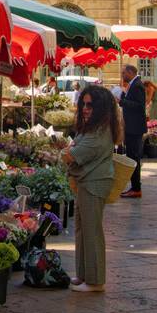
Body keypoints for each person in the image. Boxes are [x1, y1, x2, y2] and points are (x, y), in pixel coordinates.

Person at [62, 84, 121, 292]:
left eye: (90, 105)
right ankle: (83, 274)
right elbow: (72, 150)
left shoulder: (98, 133)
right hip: (86, 182)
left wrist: (67, 151)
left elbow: (71, 154)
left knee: (91, 231)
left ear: (101, 107)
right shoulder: (93, 128)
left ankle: (95, 281)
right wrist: (69, 150)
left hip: (94, 183)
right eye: (83, 104)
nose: (85, 108)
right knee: (82, 229)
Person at [119, 64, 146, 198]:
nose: (122, 75)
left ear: (130, 72)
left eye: (124, 73)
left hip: (134, 127)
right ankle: (134, 187)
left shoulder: (137, 85)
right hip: (132, 126)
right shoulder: (133, 84)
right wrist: (123, 97)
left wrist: (122, 101)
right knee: (132, 156)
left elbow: (140, 106)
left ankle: (136, 188)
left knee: (133, 157)